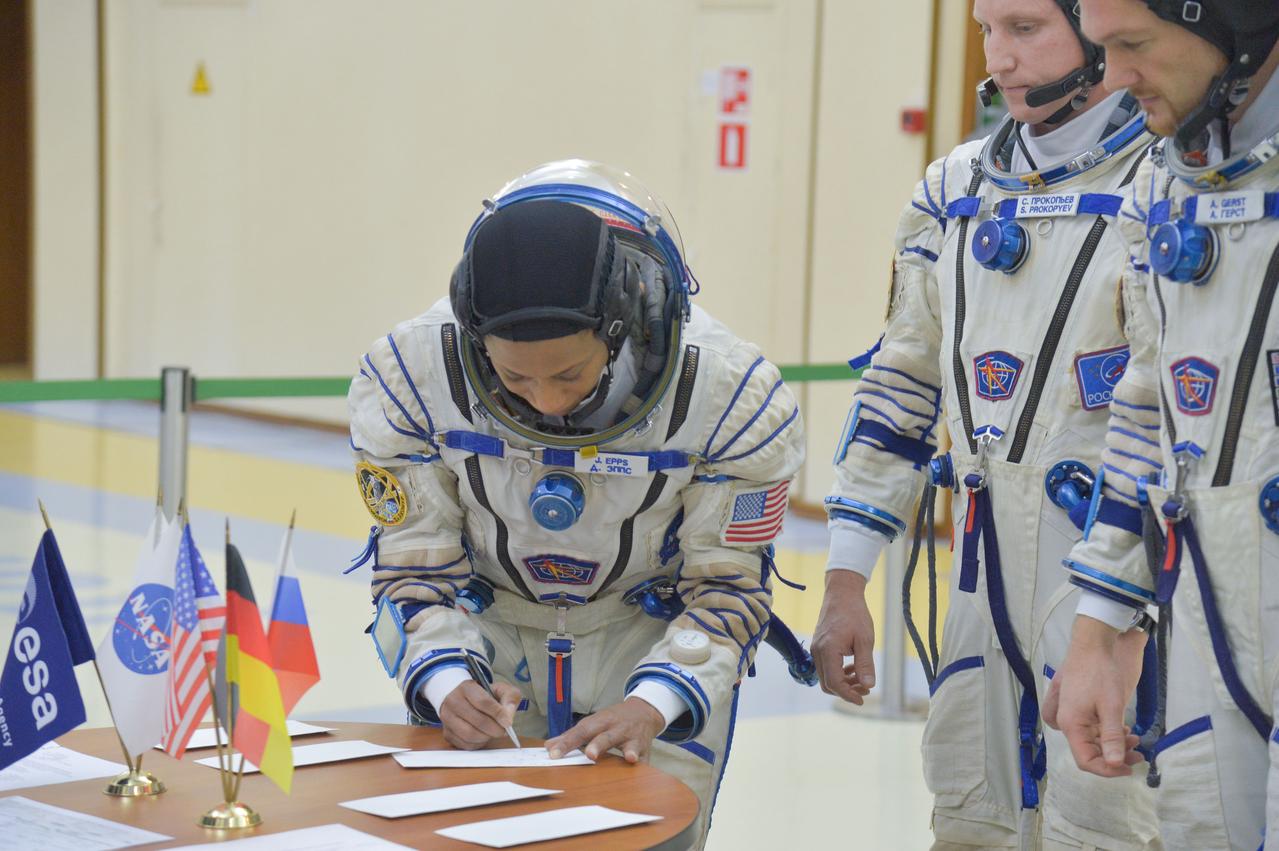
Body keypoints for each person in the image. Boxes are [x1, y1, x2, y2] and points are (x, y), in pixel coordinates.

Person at [346, 159, 804, 847]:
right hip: (491, 632)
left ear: (619, 329)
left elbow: (727, 587)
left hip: (650, 638)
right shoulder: (410, 376)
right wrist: (446, 681)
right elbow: (414, 566)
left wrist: (655, 702)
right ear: (475, 345)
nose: (548, 401)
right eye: (512, 378)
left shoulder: (727, 393)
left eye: (570, 373)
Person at [810, 1, 1161, 847]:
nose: (999, 58)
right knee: (970, 812)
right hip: (977, 571)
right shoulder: (952, 190)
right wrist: (845, 579)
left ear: (1099, 29)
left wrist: (1126, 608)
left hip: (1116, 578)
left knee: (1103, 817)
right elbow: (899, 390)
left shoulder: (1167, 184)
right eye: (985, 30)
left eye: (1026, 27)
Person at [1042, 1, 1279, 847]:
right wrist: (1101, 624)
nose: (1108, 80)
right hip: (1209, 642)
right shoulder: (1160, 182)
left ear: (1238, 26)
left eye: (1131, 46)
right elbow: (1145, 407)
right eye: (1100, 50)